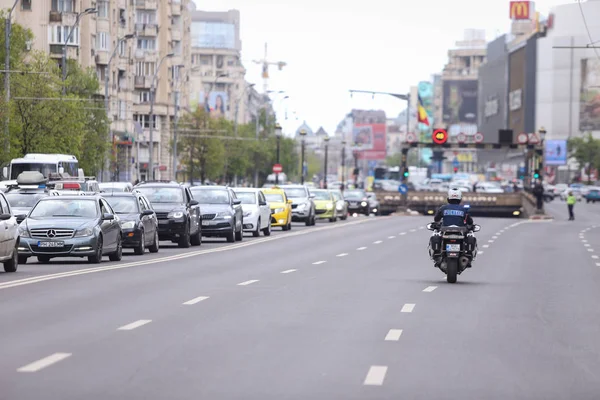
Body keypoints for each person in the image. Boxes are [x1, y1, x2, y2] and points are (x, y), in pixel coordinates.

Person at [428, 188, 477, 266]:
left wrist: (437, 224)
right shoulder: (464, 209)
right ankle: (468, 255)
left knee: (436, 235)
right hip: (460, 233)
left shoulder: (443, 208)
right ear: (460, 198)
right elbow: (470, 222)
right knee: (470, 236)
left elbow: (436, 219)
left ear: (448, 198)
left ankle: (437, 255)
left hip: (445, 232)